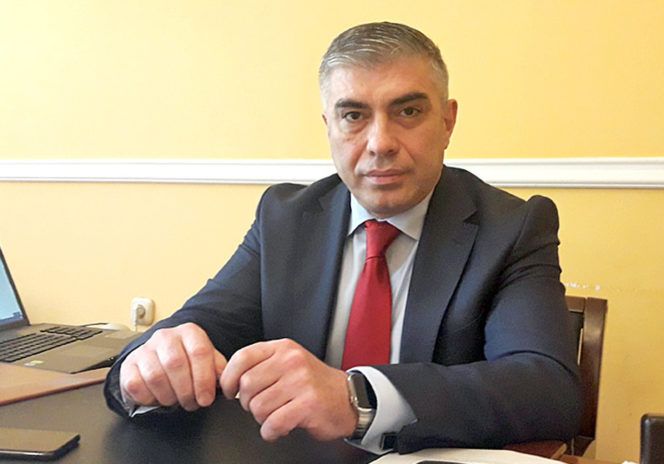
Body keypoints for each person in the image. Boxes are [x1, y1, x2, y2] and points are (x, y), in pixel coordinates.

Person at [104, 21, 582, 455]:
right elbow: (201, 325)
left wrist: (358, 398)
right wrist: (147, 365)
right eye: (354, 116)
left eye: (408, 111)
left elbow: (548, 389)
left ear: (447, 121)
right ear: (329, 126)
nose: (380, 143)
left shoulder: (512, 227)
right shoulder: (286, 217)